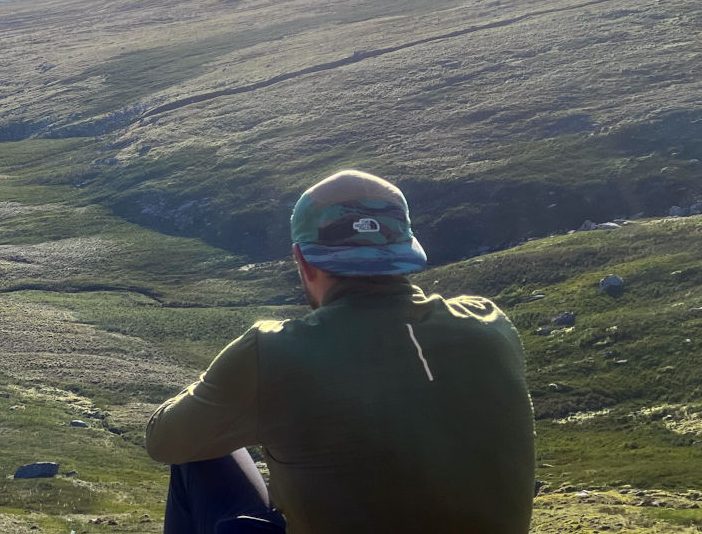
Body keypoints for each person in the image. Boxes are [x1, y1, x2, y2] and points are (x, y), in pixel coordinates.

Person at [145, 170, 534, 533]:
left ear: (302, 260)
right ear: (407, 250)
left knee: (197, 456)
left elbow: (163, 440)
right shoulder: (490, 323)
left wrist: (237, 380)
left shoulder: (275, 350)